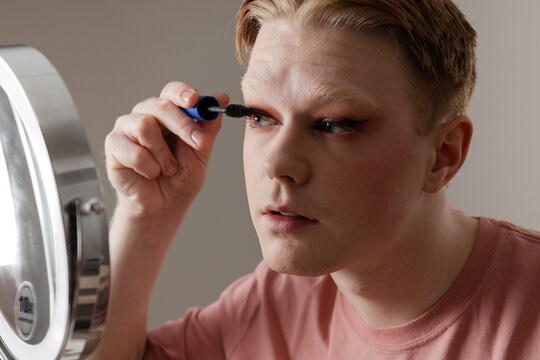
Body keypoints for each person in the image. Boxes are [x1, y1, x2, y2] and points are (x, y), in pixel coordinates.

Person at [91, 0, 540, 359]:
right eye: (260, 117)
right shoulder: (276, 304)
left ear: (443, 155)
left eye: (333, 125)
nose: (277, 163)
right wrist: (146, 214)